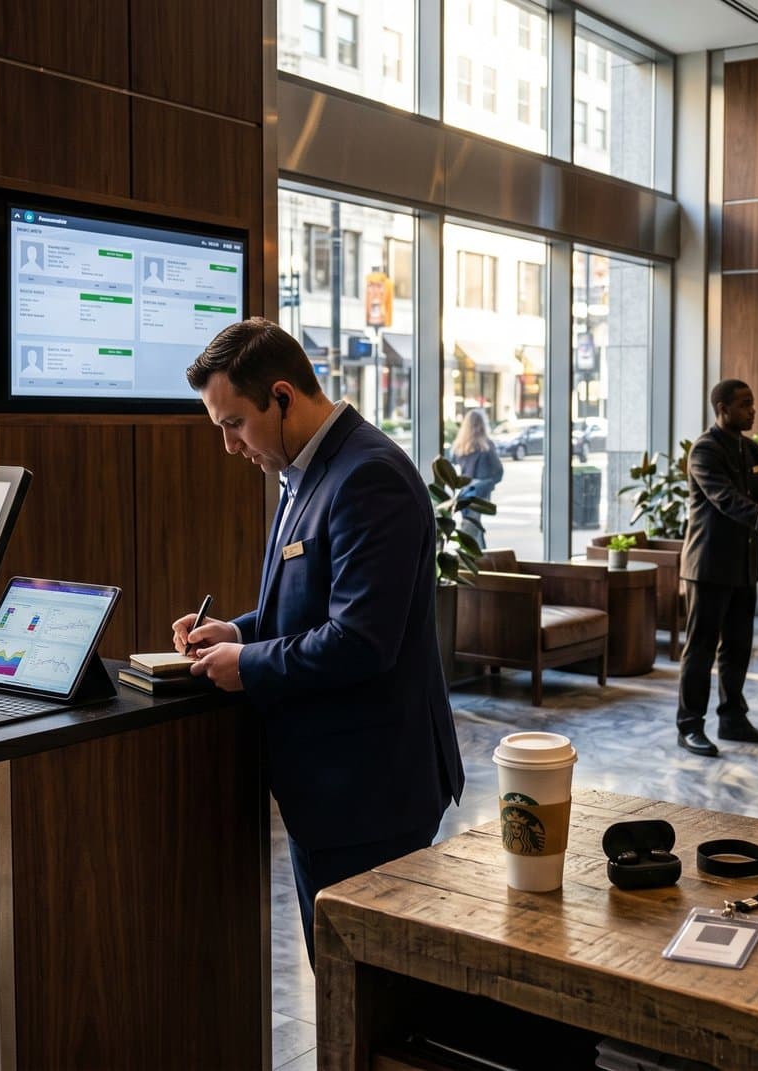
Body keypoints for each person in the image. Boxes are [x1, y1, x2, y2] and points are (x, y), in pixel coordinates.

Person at [174, 318, 465, 962]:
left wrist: (246, 663)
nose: (229, 446)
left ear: (281, 397)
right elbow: (311, 609)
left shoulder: (369, 476)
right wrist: (238, 630)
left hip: (371, 791)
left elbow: (361, 641)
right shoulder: (304, 468)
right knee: (342, 984)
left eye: (234, 424)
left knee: (365, 997)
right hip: (334, 786)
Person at [675, 379, 758, 757]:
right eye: (745, 404)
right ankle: (689, 727)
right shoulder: (704, 450)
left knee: (737, 647)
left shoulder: (750, 448)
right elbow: (726, 500)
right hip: (708, 567)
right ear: (722, 408)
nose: (753, 410)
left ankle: (732, 719)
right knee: (700, 650)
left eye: (752, 403)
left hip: (743, 568)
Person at [449, 409, 503, 549]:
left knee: (472, 526)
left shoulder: (459, 446)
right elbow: (498, 472)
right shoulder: (486, 446)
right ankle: (474, 562)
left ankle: (480, 560)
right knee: (472, 528)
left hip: (463, 494)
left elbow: (453, 469)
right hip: (479, 494)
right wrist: (487, 483)